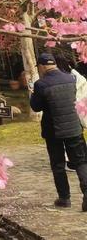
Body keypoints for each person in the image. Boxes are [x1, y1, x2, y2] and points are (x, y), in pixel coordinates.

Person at [29, 52, 87, 209]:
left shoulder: (41, 84)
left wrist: (32, 94)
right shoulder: (70, 78)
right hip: (74, 128)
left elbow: (36, 106)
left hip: (53, 130)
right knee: (81, 162)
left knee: (58, 164)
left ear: (41, 66)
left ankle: (64, 198)